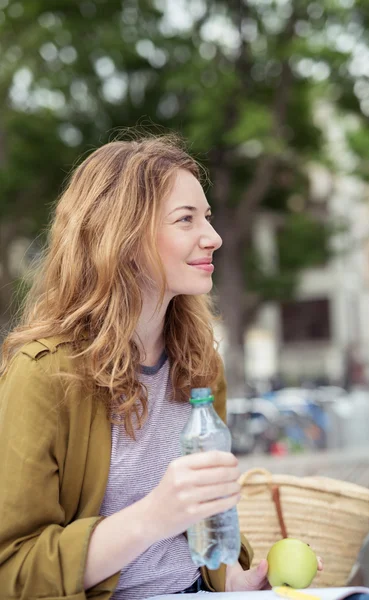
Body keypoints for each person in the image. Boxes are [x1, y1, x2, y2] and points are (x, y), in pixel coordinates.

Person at [0, 135, 274, 599]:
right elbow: (13, 572)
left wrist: (236, 580)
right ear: (122, 239)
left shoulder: (201, 364)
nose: (214, 237)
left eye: (205, 217)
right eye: (185, 220)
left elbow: (211, 528)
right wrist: (153, 516)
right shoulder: (40, 375)